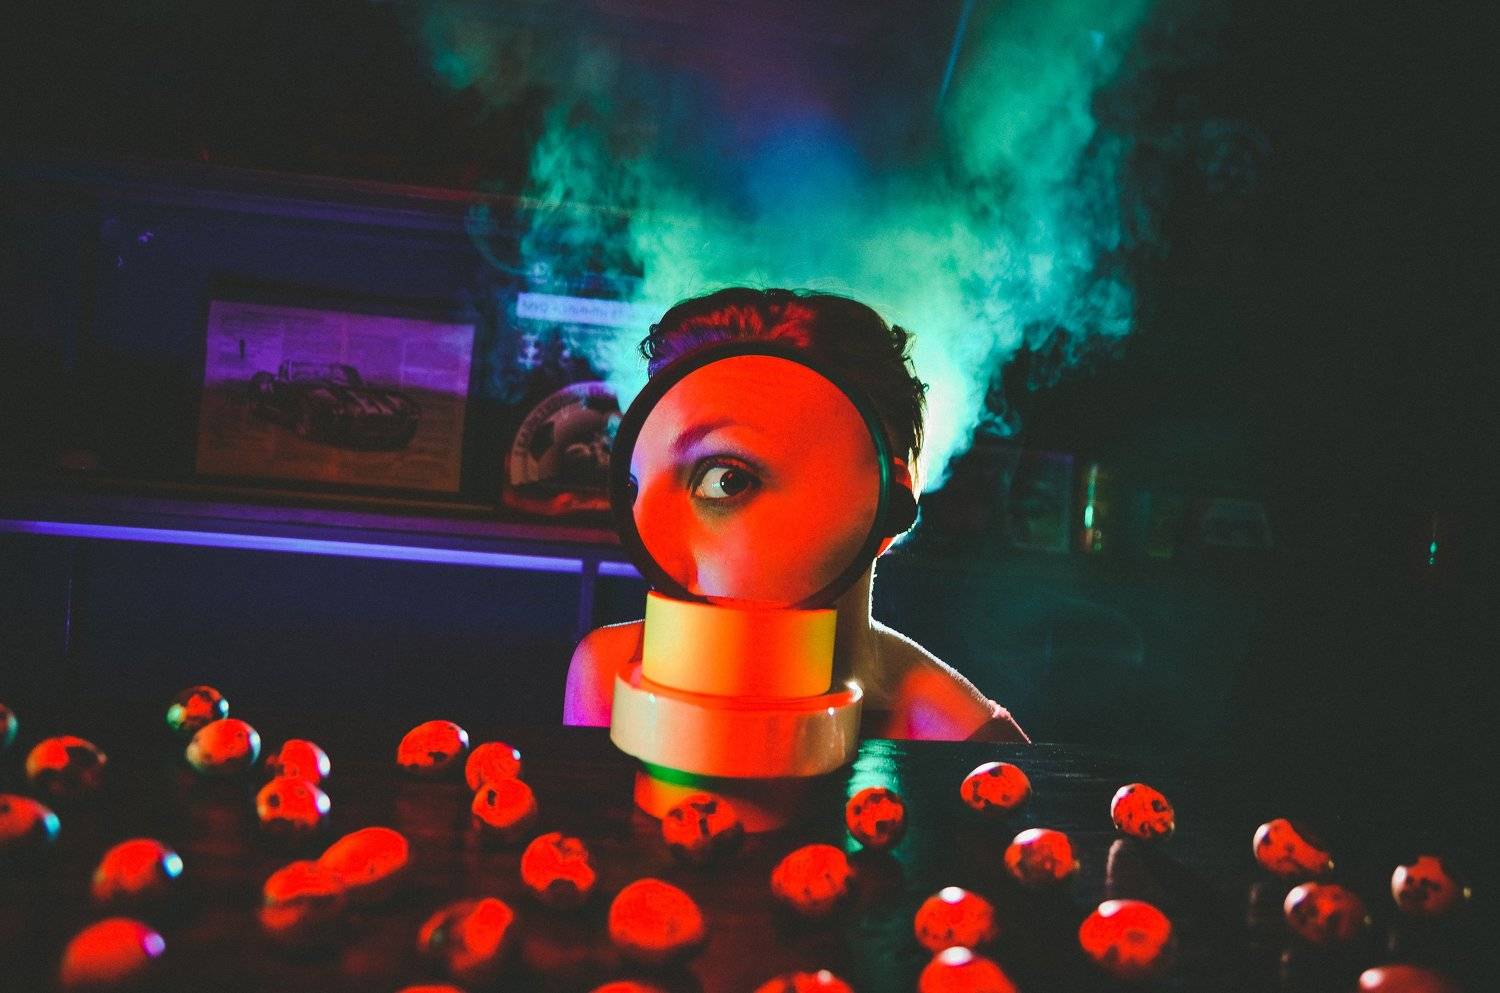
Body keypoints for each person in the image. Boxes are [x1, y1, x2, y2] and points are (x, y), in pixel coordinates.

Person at [563, 288, 1028, 743]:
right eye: (636, 488)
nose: (651, 553)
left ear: (885, 503)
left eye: (728, 481)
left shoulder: (967, 743)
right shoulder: (609, 676)